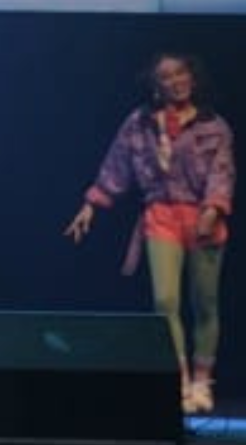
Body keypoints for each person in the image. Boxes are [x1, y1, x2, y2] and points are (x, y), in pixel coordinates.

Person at [65, 51, 234, 415]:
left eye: (181, 73)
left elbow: (223, 172)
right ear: (156, 86)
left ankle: (202, 381)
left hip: (202, 216)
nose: (176, 82)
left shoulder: (213, 125)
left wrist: (213, 208)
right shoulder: (139, 124)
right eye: (167, 77)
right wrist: (92, 204)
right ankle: (180, 381)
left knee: (204, 302)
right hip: (161, 215)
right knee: (165, 302)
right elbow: (116, 166)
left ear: (192, 77)